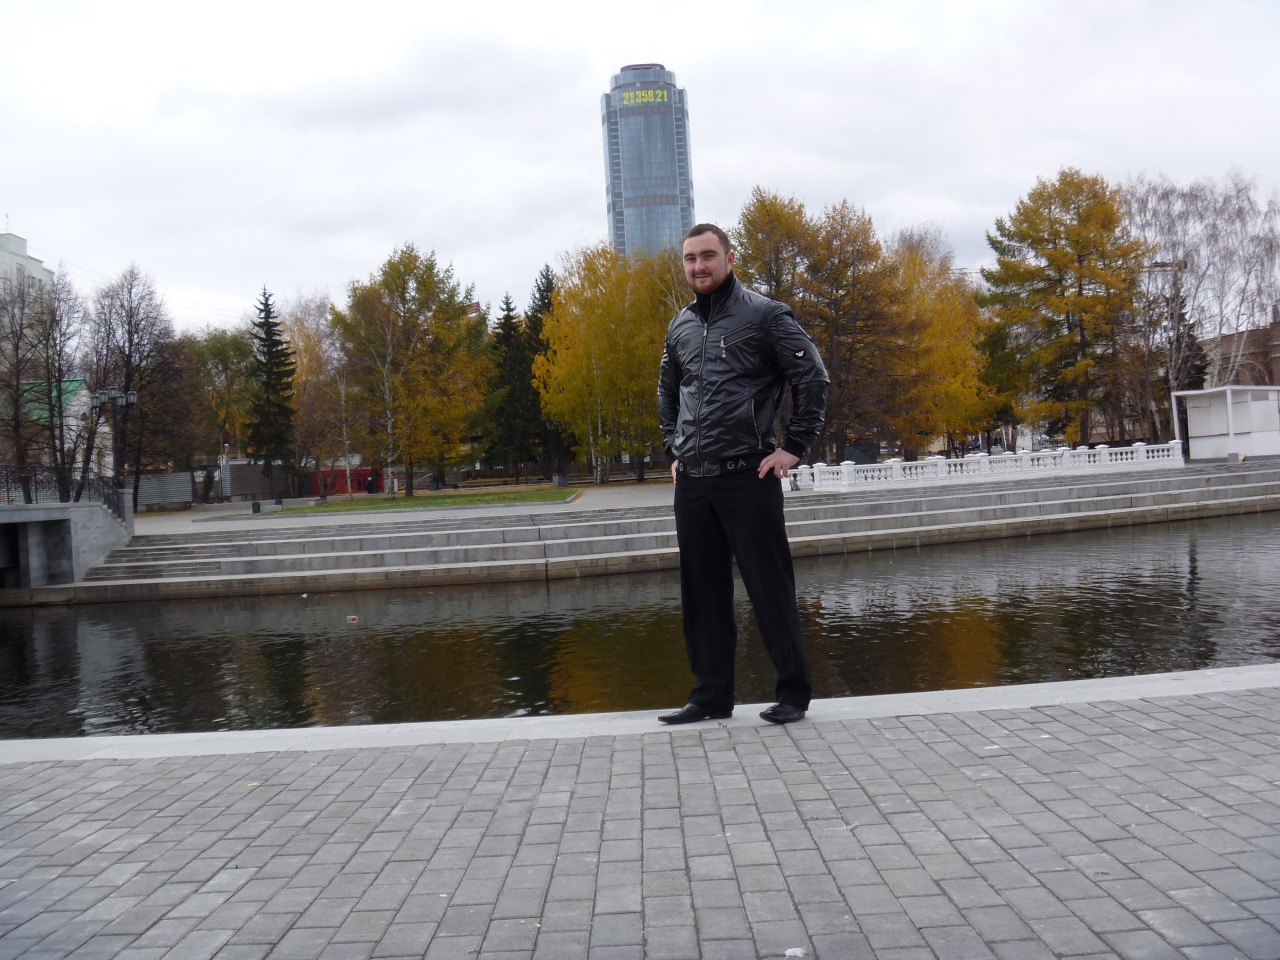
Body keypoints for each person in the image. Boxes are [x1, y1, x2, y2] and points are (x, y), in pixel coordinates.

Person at [656, 223, 829, 725]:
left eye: (708, 256)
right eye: (690, 258)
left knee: (769, 588)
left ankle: (793, 694)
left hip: (747, 475)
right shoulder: (680, 325)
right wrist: (673, 448)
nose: (698, 266)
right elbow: (667, 392)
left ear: (730, 259)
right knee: (702, 594)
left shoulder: (766, 316)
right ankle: (710, 697)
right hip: (694, 480)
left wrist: (793, 447)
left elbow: (812, 377)